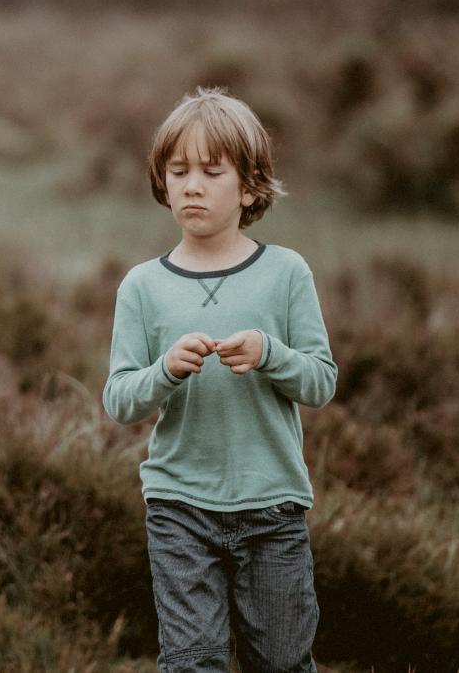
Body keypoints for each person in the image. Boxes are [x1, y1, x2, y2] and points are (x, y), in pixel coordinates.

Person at [102, 87, 337, 672]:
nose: (192, 185)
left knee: (282, 662)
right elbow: (119, 399)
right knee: (192, 663)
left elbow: (321, 381)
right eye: (177, 171)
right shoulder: (142, 285)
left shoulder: (286, 272)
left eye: (212, 171)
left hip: (274, 508)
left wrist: (269, 353)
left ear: (251, 186)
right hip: (178, 506)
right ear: (161, 182)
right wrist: (163, 372)